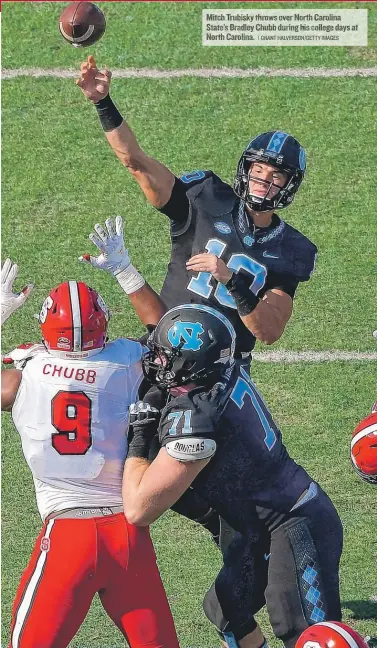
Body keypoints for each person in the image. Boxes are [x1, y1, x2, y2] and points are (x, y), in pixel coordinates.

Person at [76, 54, 318, 547]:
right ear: (244, 168)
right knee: (110, 450)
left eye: (275, 176)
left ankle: (234, 534)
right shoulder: (206, 195)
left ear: (289, 187)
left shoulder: (292, 251)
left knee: (207, 475)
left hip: (219, 380)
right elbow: (135, 162)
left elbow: (269, 329)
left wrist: (232, 280)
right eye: (258, 169)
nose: (263, 181)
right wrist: (103, 103)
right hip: (157, 348)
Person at [120, 303, 343, 648]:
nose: (156, 362)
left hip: (294, 520)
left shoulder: (197, 417)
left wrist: (139, 435)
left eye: (165, 356)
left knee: (309, 637)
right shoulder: (219, 371)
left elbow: (139, 509)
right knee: (226, 611)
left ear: (189, 366)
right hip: (256, 523)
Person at [1, 252, 179, 648]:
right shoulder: (129, 361)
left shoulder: (22, 374)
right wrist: (125, 271)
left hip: (68, 535)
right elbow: (169, 332)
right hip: (128, 533)